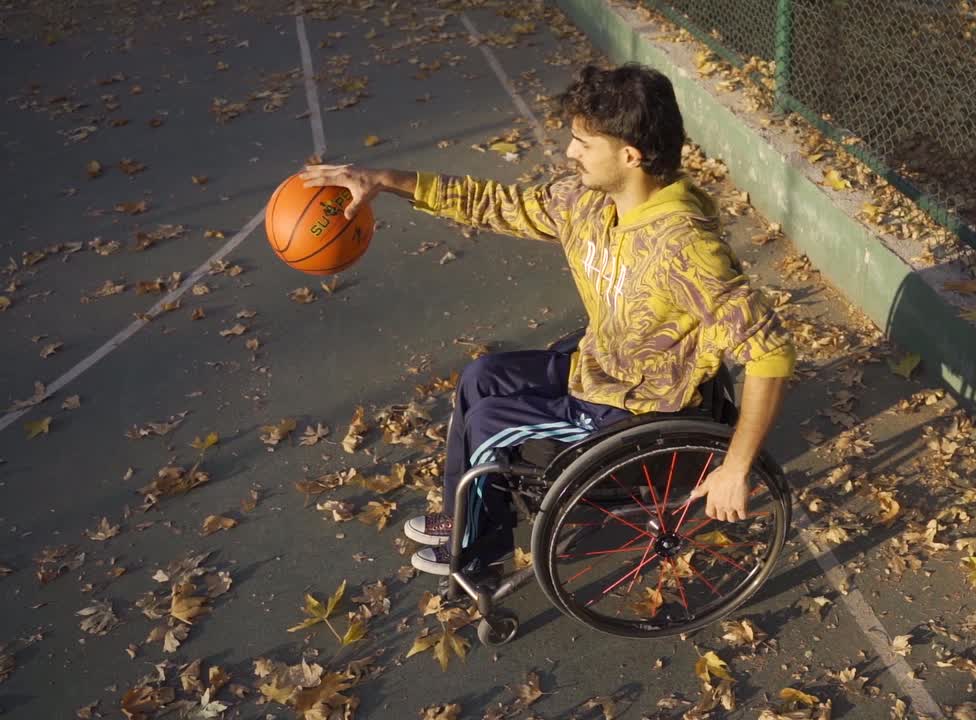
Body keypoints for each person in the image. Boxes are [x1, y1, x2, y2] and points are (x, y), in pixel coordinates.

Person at [299, 63, 795, 576]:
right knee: (480, 377)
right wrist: (385, 181)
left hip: (638, 412)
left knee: (489, 424)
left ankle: (477, 552)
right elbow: (496, 203)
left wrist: (736, 467)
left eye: (583, 142)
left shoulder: (685, 246)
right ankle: (463, 516)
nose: (569, 152)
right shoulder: (589, 201)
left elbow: (771, 352)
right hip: (600, 367)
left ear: (630, 155)